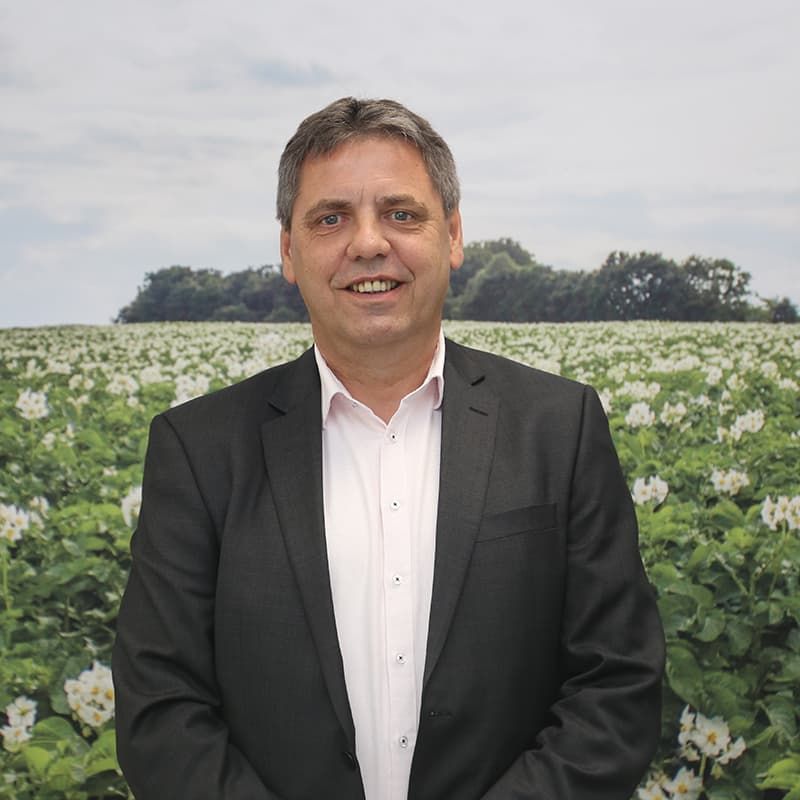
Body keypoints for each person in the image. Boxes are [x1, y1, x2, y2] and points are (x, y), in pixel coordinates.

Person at [112, 97, 665, 800]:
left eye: (402, 214)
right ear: (288, 251)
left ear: (453, 235)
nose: (368, 243)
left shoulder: (560, 427)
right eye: (330, 218)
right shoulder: (198, 449)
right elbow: (161, 708)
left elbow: (616, 684)